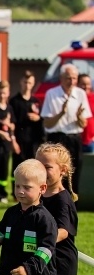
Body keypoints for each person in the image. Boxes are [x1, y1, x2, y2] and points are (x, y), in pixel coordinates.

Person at [36, 143, 84, 275]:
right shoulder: (36, 196)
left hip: (62, 267)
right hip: (42, 263)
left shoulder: (64, 200)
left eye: (47, 167)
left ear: (62, 170)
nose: (41, 171)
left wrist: (46, 238)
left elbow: (64, 231)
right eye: (38, 165)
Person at [41, 63, 91, 194]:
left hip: (74, 139)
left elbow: (83, 124)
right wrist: (61, 113)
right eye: (69, 78)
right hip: (57, 139)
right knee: (56, 175)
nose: (72, 81)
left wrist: (79, 116)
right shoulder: (51, 94)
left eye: (74, 78)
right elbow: (47, 124)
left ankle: (73, 206)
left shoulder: (80, 94)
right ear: (61, 78)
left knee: (75, 173)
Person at [10, 71, 45, 194]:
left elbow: (43, 121)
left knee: (32, 166)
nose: (27, 85)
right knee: (17, 166)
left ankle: (31, 190)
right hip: (19, 140)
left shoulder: (35, 102)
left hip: (33, 140)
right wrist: (13, 140)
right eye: (25, 82)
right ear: (21, 82)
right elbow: (11, 123)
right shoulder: (14, 101)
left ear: (33, 83)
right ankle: (15, 192)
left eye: (29, 82)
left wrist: (38, 118)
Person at [77, 73, 94, 153]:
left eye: (88, 84)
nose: (86, 87)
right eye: (83, 84)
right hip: (76, 141)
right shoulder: (74, 98)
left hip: (90, 142)